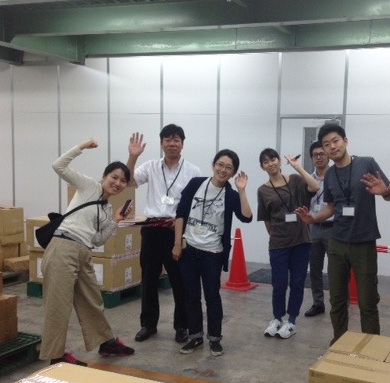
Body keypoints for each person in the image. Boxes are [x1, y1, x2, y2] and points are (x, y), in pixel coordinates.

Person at [296, 123, 390, 344]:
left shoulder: (366, 163)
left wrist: (385, 191)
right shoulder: (330, 174)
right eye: (326, 144)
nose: (332, 147)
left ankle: (371, 346)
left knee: (367, 301)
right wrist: (314, 218)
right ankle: (339, 342)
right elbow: (332, 207)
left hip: (364, 242)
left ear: (345, 141)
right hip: (337, 242)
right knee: (338, 299)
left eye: (335, 141)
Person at [39, 138, 135, 366]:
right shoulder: (88, 186)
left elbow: (98, 239)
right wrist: (81, 147)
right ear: (104, 177)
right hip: (63, 247)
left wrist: (115, 220)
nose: (117, 183)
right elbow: (58, 166)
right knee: (59, 305)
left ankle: (105, 342)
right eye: (114, 177)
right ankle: (56, 356)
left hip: (83, 251)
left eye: (123, 181)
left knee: (92, 300)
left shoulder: (107, 209)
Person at [172, 150, 253, 356]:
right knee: (191, 296)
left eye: (229, 167)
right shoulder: (196, 184)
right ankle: (195, 337)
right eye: (220, 164)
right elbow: (180, 213)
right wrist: (177, 244)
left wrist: (242, 191)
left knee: (212, 297)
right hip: (189, 249)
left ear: (233, 172)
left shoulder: (231, 195)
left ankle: (215, 339)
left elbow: (246, 217)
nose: (223, 170)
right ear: (213, 165)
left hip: (212, 253)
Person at [126, 125, 201, 344]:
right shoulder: (150, 166)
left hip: (175, 231)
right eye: (167, 140)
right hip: (151, 229)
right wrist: (133, 157)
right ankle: (148, 325)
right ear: (161, 144)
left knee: (180, 281)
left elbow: (197, 204)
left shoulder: (193, 171)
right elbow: (129, 182)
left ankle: (182, 326)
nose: (172, 144)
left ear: (182, 144)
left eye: (176, 140)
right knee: (148, 279)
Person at [257, 148, 319, 339]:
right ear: (262, 167)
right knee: (279, 283)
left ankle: (291, 321)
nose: (271, 164)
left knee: (297, 283)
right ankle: (277, 318)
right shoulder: (263, 190)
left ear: (279, 160)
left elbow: (315, 186)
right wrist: (276, 236)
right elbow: (267, 219)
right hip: (278, 243)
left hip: (301, 241)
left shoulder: (296, 180)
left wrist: (298, 167)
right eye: (266, 162)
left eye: (273, 159)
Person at [304, 140, 333, 317]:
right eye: (315, 155)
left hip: (333, 228)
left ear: (328, 156)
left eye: (322, 154)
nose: (319, 157)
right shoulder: (308, 179)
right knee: (315, 268)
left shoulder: (336, 176)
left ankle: (339, 304)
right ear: (311, 158)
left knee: (336, 269)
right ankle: (318, 303)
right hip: (314, 228)